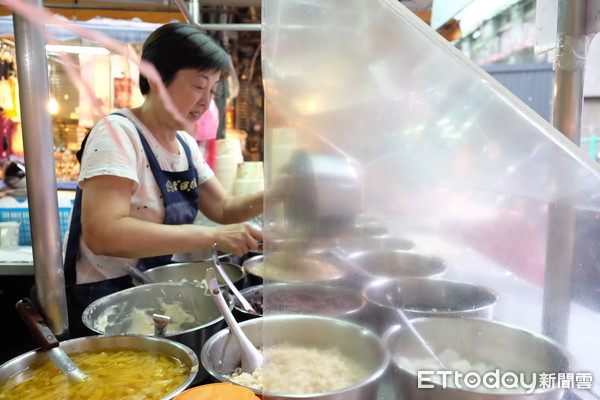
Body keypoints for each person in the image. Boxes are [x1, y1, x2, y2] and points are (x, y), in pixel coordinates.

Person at [63, 22, 263, 337]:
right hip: (105, 301)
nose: (206, 101)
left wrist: (282, 192)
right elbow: (103, 233)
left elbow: (224, 209)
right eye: (198, 86)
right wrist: (209, 236)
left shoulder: (184, 146)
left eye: (212, 90)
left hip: (150, 294)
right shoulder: (118, 134)